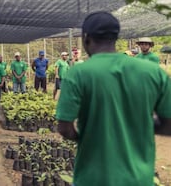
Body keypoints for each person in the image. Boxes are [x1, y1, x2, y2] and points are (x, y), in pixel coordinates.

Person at [56, 11, 171, 186]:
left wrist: (86, 134)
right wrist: (140, 123)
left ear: (87, 39)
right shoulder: (153, 72)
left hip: (92, 178)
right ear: (115, 38)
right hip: (138, 179)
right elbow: (168, 124)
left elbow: (65, 128)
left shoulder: (78, 73)